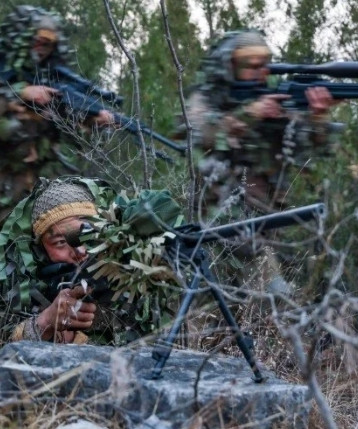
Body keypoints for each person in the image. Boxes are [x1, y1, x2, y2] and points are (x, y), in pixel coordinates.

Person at [181, 29, 336, 294]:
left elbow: (310, 150)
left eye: (264, 65)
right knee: (274, 299)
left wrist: (318, 117)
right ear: (228, 67)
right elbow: (199, 133)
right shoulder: (206, 100)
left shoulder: (275, 102)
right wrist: (251, 113)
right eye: (250, 66)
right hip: (222, 224)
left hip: (271, 223)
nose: (260, 73)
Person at [0, 177, 182, 346]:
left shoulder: (123, 274)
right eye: (61, 242)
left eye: (86, 235)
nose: (79, 251)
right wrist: (45, 322)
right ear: (40, 251)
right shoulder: (15, 294)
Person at [0, 5, 114, 222]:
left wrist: (93, 121)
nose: (42, 48)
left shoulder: (51, 80)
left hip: (40, 182)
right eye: (38, 40)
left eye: (49, 44)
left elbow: (70, 132)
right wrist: (21, 92)